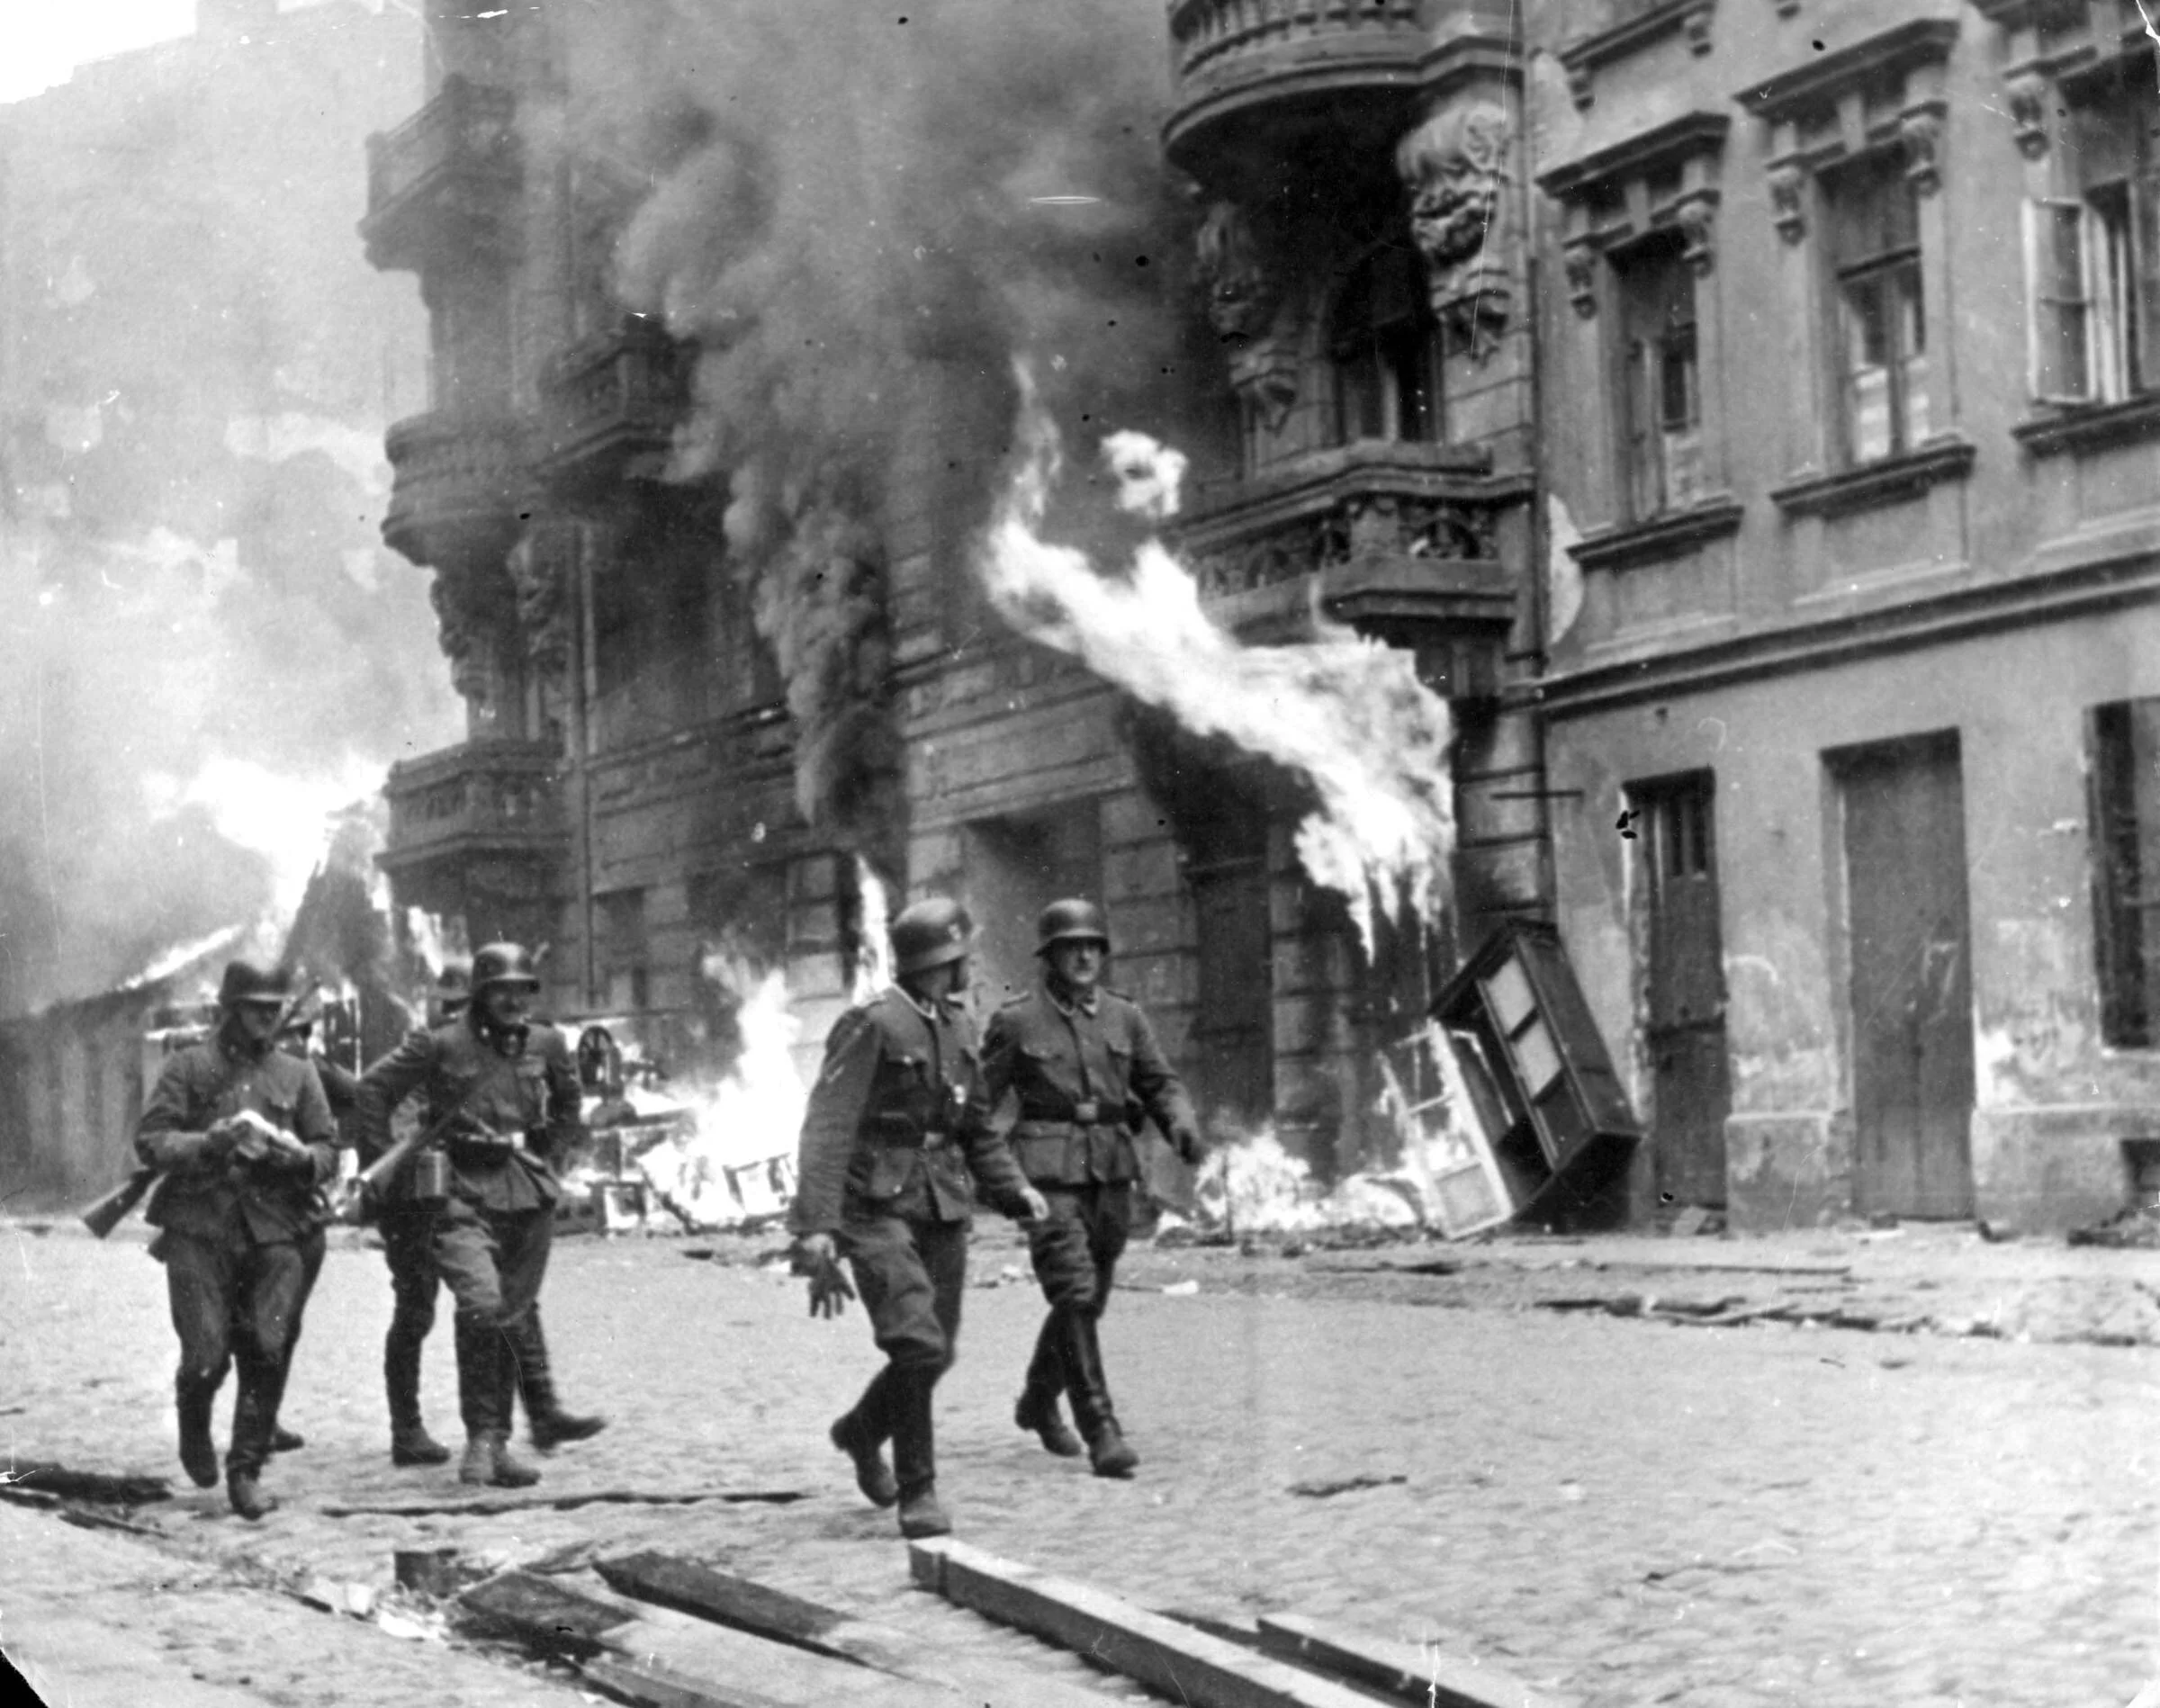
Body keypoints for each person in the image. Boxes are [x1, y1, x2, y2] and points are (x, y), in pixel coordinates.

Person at [790, 896, 1047, 1540]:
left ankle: (861, 1431)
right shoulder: (872, 1023)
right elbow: (827, 1127)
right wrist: (817, 1227)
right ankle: (918, 1489)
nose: (970, 967)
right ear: (939, 961)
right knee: (917, 1344)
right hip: (873, 1207)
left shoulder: (959, 1026)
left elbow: (977, 1128)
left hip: (942, 1203)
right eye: (963, 957)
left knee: (938, 1351)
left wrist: (1015, 1190)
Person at [355, 943, 604, 1488]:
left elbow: (569, 1103)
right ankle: (480, 1439)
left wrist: (550, 1154)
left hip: (527, 1190)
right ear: (480, 994)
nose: (514, 1001)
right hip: (459, 1192)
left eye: (522, 990)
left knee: (511, 1311)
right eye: (501, 991)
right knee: (482, 1304)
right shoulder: (440, 1043)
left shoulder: (547, 1042)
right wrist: (387, 1164)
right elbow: (372, 1089)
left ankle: (495, 1443)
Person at [983, 898, 1203, 1479]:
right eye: (1071, 947)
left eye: (1092, 947)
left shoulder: (1125, 1017)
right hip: (1047, 1174)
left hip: (1110, 1171)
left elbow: (1159, 1082)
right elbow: (978, 1105)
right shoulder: (1017, 1021)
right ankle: (1101, 1429)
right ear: (1050, 956)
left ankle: (1038, 1400)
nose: (1084, 957)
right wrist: (996, 1176)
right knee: (1075, 1291)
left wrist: (1180, 1122)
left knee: (1089, 1299)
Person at [134, 961, 338, 1519]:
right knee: (205, 1355)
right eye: (256, 1008)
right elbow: (151, 1141)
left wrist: (301, 1159)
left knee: (268, 1348)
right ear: (231, 1009)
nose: (267, 1018)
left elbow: (327, 1147)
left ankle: (245, 1470)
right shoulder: (188, 1066)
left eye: (274, 1009)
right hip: (200, 1224)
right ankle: (193, 1415)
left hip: (277, 1227)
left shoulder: (298, 1072)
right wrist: (208, 1142)